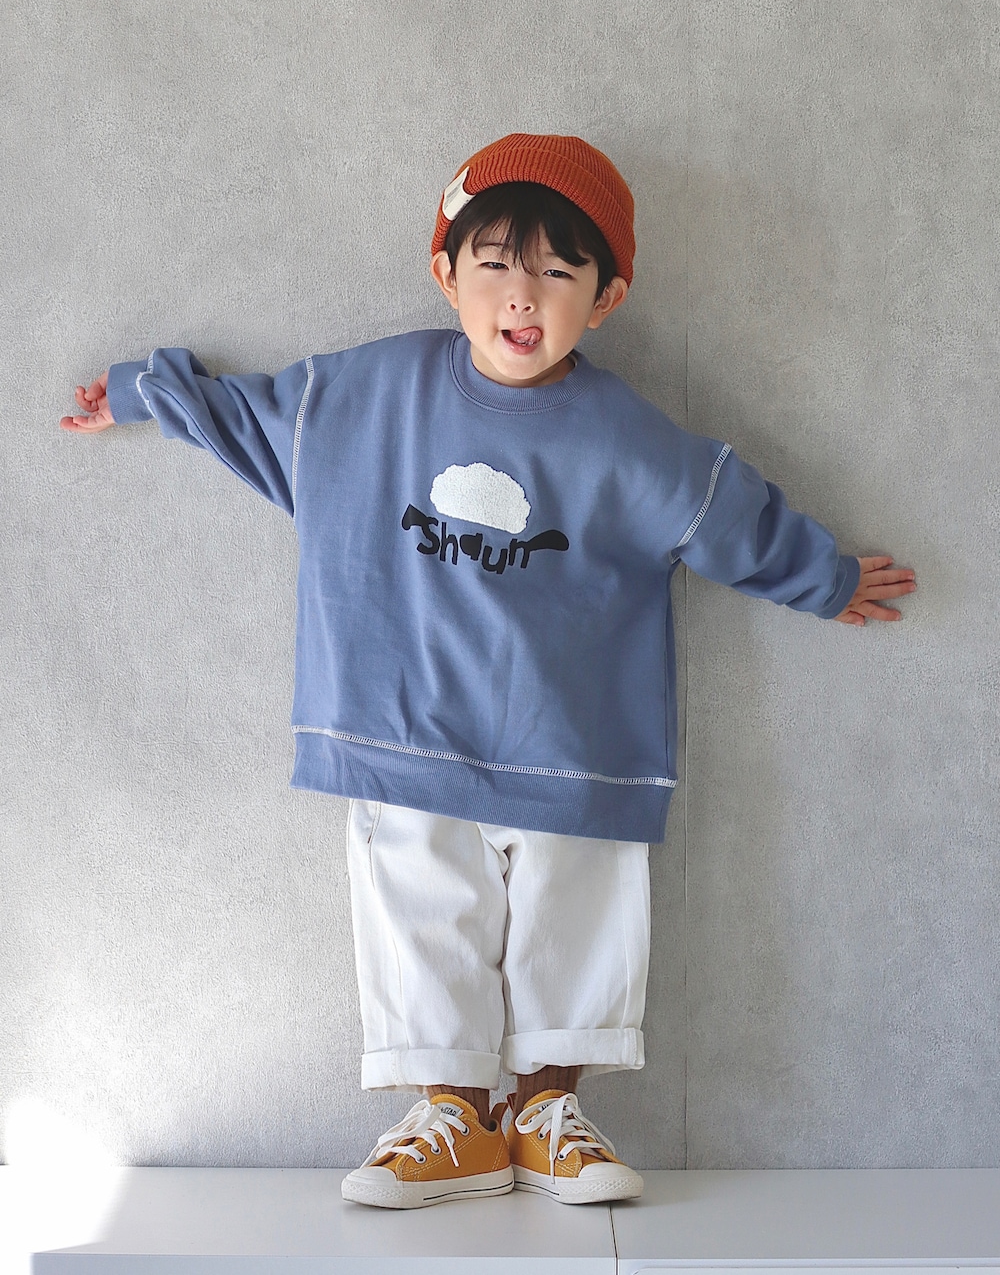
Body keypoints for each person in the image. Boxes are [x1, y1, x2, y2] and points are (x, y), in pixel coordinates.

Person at [61, 133, 916, 1210]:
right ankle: (455, 1118)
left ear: (606, 298)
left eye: (558, 271)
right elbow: (252, 414)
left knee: (580, 910)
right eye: (497, 264)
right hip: (401, 731)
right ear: (445, 272)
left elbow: (722, 508)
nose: (523, 294)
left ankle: (550, 1111)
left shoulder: (624, 437)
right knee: (418, 910)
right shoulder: (365, 395)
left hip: (572, 746)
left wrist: (825, 578)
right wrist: (140, 390)